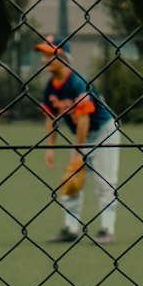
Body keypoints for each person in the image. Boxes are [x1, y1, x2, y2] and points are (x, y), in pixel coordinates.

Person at [36, 35, 121, 244]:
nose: (44, 59)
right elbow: (50, 117)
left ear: (63, 57)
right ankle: (71, 228)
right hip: (82, 137)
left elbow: (83, 120)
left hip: (103, 132)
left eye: (49, 53)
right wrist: (50, 148)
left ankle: (107, 229)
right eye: (43, 54)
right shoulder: (51, 85)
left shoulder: (78, 82)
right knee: (71, 181)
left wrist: (78, 151)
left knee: (105, 181)